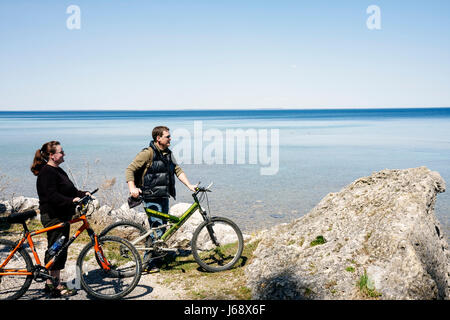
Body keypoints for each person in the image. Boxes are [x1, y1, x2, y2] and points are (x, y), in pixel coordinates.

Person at [125, 126, 196, 272]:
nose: (170, 139)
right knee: (157, 230)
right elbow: (130, 169)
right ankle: (148, 264)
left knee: (160, 229)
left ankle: (155, 259)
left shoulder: (168, 153)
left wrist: (189, 185)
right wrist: (132, 188)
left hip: (164, 196)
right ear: (159, 138)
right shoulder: (148, 153)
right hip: (151, 197)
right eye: (168, 137)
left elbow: (177, 170)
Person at [31, 141, 88, 297]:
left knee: (60, 249)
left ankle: (52, 283)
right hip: (53, 215)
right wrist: (71, 201)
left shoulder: (58, 170)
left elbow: (70, 190)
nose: (64, 154)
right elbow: (52, 196)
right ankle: (53, 285)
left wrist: (83, 194)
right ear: (52, 155)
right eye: (61, 152)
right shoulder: (47, 172)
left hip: (62, 214)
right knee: (56, 249)